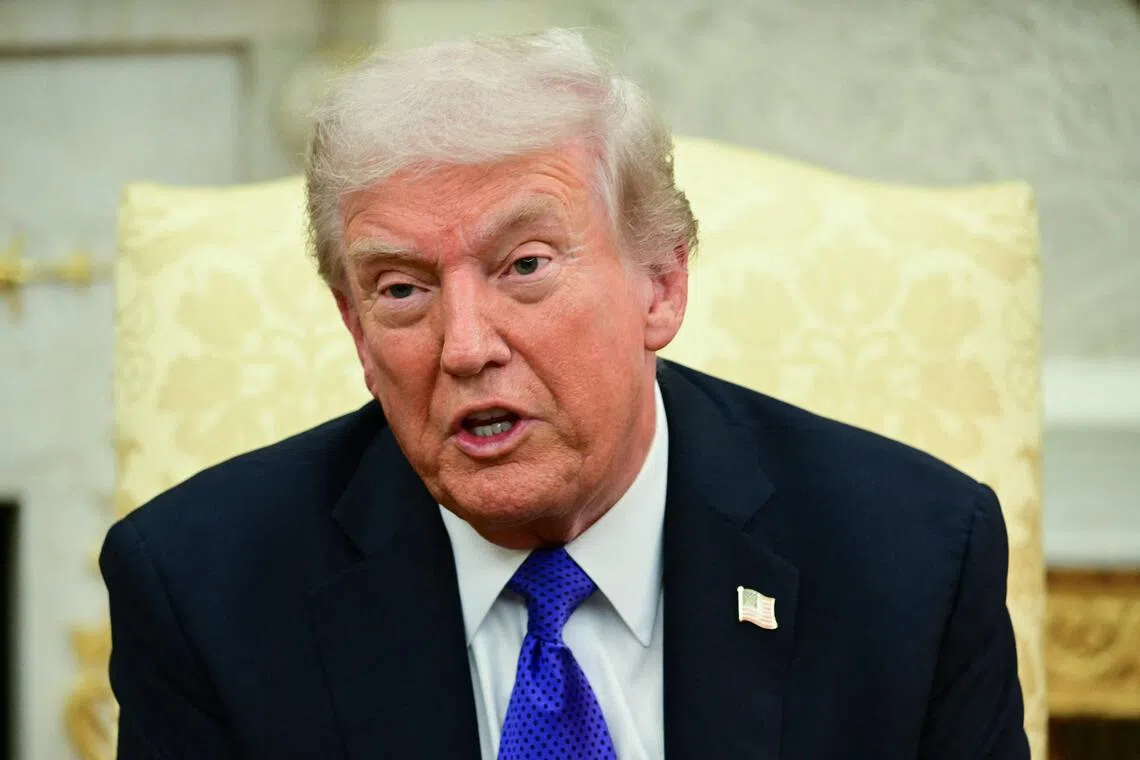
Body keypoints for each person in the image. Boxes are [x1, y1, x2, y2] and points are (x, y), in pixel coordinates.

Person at [101, 29, 1029, 760]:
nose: (465, 347)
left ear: (660, 284)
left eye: (526, 265)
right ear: (354, 330)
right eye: (401, 289)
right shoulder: (201, 593)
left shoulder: (908, 564)